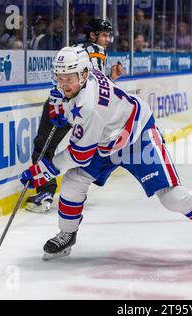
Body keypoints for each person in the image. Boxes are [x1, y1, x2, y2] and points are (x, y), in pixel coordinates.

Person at [20, 46, 192, 262]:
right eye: (60, 77)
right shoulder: (86, 73)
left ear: (84, 74)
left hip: (136, 136)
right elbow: (95, 53)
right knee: (73, 182)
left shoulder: (90, 107)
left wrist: (43, 171)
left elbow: (79, 155)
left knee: (171, 196)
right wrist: (60, 107)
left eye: (69, 78)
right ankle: (67, 234)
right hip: (106, 140)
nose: (64, 84)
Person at [25, 18, 123, 213]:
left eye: (108, 35)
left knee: (46, 146)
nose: (107, 39)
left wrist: (110, 78)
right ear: (92, 35)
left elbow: (90, 82)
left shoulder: (78, 49)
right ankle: (79, 183)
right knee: (80, 145)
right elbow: (88, 81)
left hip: (69, 103)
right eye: (104, 34)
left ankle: (46, 192)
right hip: (69, 104)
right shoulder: (94, 49)